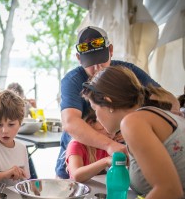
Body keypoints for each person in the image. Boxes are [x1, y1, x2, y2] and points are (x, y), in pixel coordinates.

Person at [75, 65, 185, 199]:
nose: (96, 116)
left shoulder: (132, 122)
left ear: (107, 102)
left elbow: (169, 190)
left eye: (95, 108)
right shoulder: (160, 115)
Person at [55, 26, 161, 179]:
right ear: (79, 58)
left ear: (110, 50)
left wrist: (128, 127)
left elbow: (166, 101)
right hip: (78, 163)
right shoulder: (72, 80)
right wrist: (109, 144)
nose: (97, 68)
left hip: (115, 164)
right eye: (90, 63)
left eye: (101, 60)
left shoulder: (126, 72)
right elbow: (70, 123)